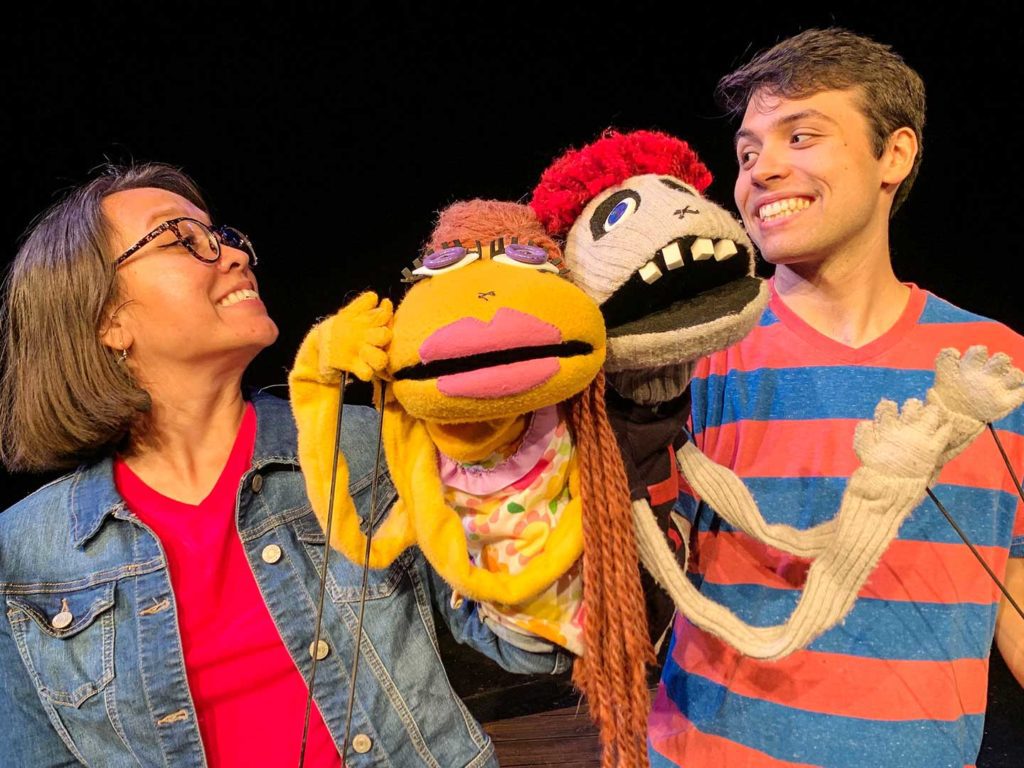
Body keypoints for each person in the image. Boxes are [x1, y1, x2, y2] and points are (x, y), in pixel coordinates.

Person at [0, 162, 569, 767]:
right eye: (182, 240)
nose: (234, 256)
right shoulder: (25, 552)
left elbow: (531, 648)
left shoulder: (372, 448)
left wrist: (506, 447)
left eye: (222, 236)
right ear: (107, 320)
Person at [647, 28, 1024, 768]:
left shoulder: (1000, 365)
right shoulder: (698, 356)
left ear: (896, 154)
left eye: (802, 136)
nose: (763, 171)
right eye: (749, 152)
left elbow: (1013, 572)